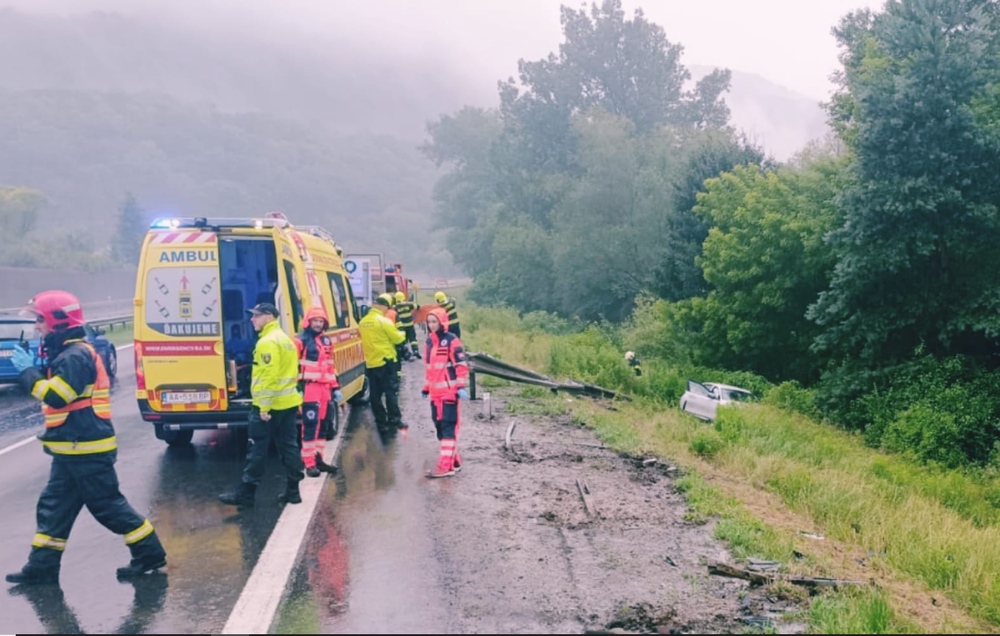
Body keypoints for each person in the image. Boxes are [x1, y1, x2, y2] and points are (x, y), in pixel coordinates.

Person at [6, 290, 167, 585]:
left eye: (40, 319)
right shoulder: (68, 353)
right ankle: (42, 567)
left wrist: (28, 373)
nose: (37, 326)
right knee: (54, 507)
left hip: (86, 448)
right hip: (70, 448)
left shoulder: (75, 355)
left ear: (57, 320)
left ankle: (149, 553)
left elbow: (57, 397)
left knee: (107, 506)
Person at [219, 303, 304, 508]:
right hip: (288, 403)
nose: (252, 320)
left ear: (269, 316)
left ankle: (247, 494)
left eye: (256, 316)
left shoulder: (267, 342)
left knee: (256, 449)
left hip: (269, 406)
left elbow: (269, 376)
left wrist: (264, 408)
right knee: (289, 447)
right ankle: (293, 491)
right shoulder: (286, 340)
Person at [421, 307, 470, 479]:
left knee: (448, 428)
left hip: (449, 393)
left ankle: (445, 467)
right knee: (440, 428)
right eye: (429, 322)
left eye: (435, 322)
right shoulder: (429, 342)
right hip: (435, 394)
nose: (432, 325)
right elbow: (429, 369)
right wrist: (426, 387)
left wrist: (460, 386)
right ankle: (454, 461)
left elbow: (461, 365)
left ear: (442, 322)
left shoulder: (452, 340)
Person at [294, 307, 342, 478]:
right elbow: (293, 368)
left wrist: (335, 387)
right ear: (308, 321)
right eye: (315, 321)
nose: (318, 324)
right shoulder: (299, 341)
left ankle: (319, 459)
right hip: (309, 388)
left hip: (325, 389)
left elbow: (330, 366)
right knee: (310, 426)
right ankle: (309, 463)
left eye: (321, 321)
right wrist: (297, 390)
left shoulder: (326, 341)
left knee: (324, 426)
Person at [359, 295, 406, 431]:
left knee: (375, 395)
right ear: (383, 306)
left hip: (371, 363)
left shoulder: (362, 322)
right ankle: (394, 419)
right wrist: (403, 333)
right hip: (386, 362)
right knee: (390, 392)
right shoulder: (383, 321)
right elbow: (397, 339)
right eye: (387, 308)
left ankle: (381, 422)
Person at [394, 291, 420, 361]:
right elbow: (417, 307)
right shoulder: (408, 305)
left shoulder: (395, 307)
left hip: (401, 327)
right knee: (413, 339)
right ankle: (415, 351)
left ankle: (404, 354)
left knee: (403, 341)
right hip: (410, 325)